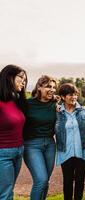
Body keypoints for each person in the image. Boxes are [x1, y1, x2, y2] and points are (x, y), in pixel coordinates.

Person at [23, 75, 57, 200]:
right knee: (41, 180)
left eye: (54, 87)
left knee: (45, 181)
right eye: (48, 86)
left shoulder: (56, 104)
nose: (52, 90)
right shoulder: (27, 104)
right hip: (31, 145)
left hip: (50, 144)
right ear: (39, 87)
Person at [55, 83, 85, 200]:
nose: (74, 97)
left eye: (75, 94)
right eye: (70, 95)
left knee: (80, 182)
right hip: (66, 152)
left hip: (82, 151)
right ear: (63, 97)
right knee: (67, 182)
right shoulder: (57, 112)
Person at [0, 65, 27, 199]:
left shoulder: (16, 101)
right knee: (5, 195)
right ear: (9, 77)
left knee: (8, 191)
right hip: (2, 154)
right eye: (21, 78)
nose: (23, 81)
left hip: (18, 152)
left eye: (25, 79)